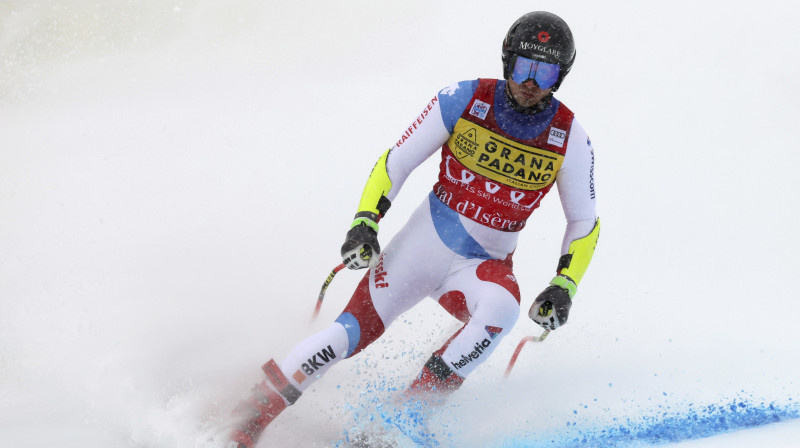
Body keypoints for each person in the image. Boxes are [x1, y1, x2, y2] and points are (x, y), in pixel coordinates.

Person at [229, 11, 600, 448]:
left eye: (546, 72)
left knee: (501, 311)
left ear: (562, 76)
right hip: (419, 250)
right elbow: (397, 161)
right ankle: (248, 417)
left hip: (481, 267)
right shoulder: (464, 97)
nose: (532, 81)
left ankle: (391, 426)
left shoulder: (569, 135)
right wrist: (365, 223)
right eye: (524, 66)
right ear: (507, 61)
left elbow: (584, 221)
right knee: (345, 338)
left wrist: (564, 285)